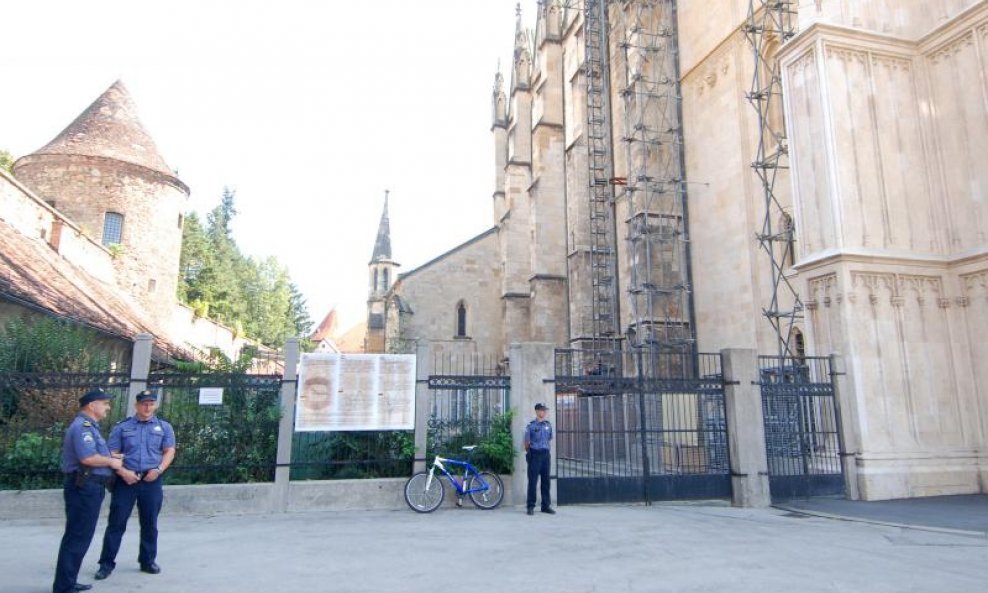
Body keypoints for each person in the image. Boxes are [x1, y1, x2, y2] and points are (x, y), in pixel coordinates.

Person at [94, 389, 176, 580]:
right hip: (126, 480)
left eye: (151, 403)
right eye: (143, 403)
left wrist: (159, 470)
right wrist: (123, 472)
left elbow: (169, 451)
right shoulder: (122, 428)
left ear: (155, 405)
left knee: (149, 523)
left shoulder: (164, 427)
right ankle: (106, 564)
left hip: (152, 480)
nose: (147, 407)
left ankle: (147, 561)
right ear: (136, 405)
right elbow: (111, 453)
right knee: (116, 523)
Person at [53, 388, 123, 593]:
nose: (108, 407)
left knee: (79, 536)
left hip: (89, 488)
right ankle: (64, 587)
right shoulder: (83, 427)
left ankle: (68, 581)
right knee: (78, 536)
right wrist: (112, 461)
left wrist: (112, 459)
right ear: (92, 405)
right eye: (105, 403)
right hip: (84, 488)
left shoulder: (90, 427)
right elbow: (88, 459)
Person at [524, 402, 555, 515]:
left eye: (545, 410)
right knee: (533, 481)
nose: (544, 412)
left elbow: (549, 438)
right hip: (535, 455)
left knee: (546, 481)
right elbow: (526, 443)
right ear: (537, 411)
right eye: (542, 410)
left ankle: (545, 506)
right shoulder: (531, 426)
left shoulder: (548, 425)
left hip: (546, 455)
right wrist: (531, 453)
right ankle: (530, 506)